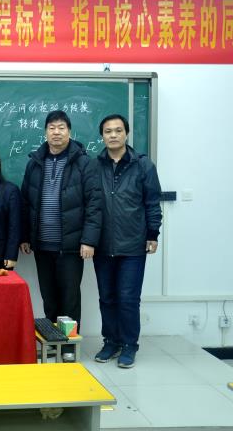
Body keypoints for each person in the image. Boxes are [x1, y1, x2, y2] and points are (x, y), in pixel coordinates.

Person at [20, 110, 102, 360]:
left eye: (61, 128)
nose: (56, 132)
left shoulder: (84, 162)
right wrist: (25, 236)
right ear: (45, 132)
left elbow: (94, 203)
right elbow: (26, 202)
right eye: (52, 128)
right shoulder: (35, 162)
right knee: (49, 298)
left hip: (71, 244)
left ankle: (69, 346)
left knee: (69, 298)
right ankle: (53, 342)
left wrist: (89, 239)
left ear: (69, 131)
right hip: (42, 244)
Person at [93, 114, 162, 368]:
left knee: (128, 298)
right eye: (108, 131)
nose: (113, 135)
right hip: (102, 244)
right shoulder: (95, 166)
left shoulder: (143, 165)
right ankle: (111, 341)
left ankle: (130, 345)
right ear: (102, 136)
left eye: (118, 130)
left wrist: (153, 233)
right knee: (107, 297)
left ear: (126, 133)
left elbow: (152, 202)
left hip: (133, 244)